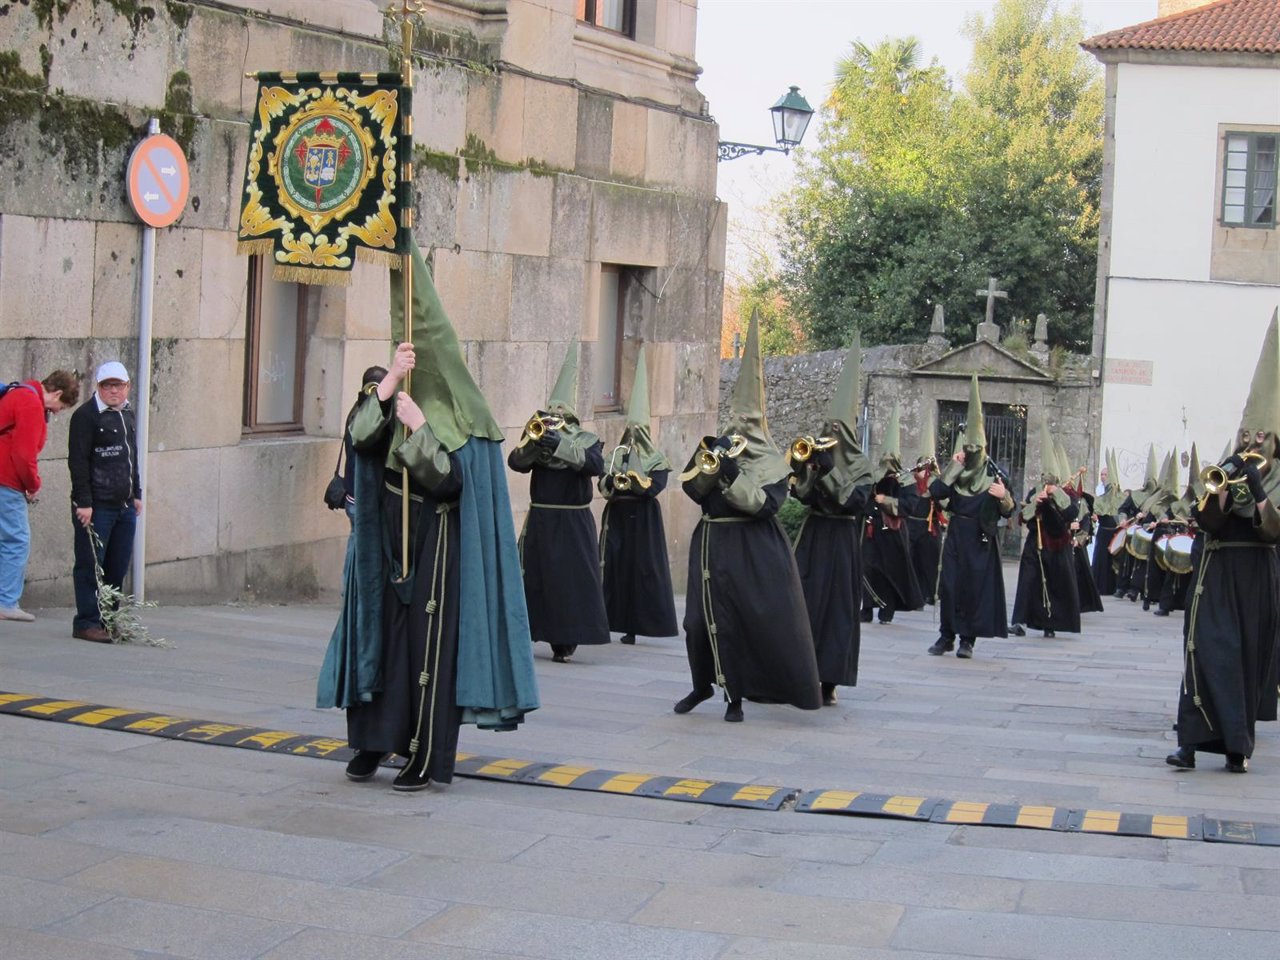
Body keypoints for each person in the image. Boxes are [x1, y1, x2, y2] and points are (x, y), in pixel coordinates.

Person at [317, 239, 539, 792]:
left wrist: (419, 428)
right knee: (380, 644)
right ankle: (370, 744)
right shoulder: (392, 394)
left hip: (437, 549)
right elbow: (361, 437)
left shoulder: (468, 415)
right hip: (386, 542)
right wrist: (390, 380)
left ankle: (421, 755)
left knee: (426, 654)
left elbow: (451, 481)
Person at [675, 309, 821, 722]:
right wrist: (715, 465)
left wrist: (732, 474)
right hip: (711, 542)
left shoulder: (775, 462)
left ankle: (735, 697)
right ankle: (701, 685)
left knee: (737, 621)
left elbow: (765, 505)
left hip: (751, 549)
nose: (741, 427)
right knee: (697, 622)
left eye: (748, 421)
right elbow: (689, 488)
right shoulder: (716, 447)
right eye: (736, 419)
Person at [1167, 310, 1280, 775]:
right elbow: (1205, 520)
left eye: (1261, 436)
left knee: (1243, 656)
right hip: (1215, 573)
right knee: (1204, 648)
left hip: (1254, 575)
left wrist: (1256, 487)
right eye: (1247, 434)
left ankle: (1237, 747)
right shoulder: (1226, 468)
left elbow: (1272, 529)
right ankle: (1190, 743)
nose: (1253, 440)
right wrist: (1224, 480)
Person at [509, 340, 611, 663]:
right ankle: (525, 631)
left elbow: (595, 466)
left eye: (558, 414)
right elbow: (516, 462)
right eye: (549, 413)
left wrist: (560, 446)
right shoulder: (538, 437)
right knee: (533, 578)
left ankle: (564, 640)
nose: (552, 418)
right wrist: (538, 444)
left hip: (572, 522)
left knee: (568, 583)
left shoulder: (588, 440)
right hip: (541, 518)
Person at [790, 333, 874, 706]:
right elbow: (804, 496)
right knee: (804, 602)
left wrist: (831, 473)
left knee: (837, 609)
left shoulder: (861, 467)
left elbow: (855, 502)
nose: (829, 437)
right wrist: (803, 471)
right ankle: (799, 671)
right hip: (814, 534)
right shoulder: (817, 455)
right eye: (827, 429)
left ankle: (830, 680)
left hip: (841, 541)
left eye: (836, 431)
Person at [927, 376, 1016, 659]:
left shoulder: (994, 476)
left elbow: (1009, 510)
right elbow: (936, 492)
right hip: (956, 535)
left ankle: (968, 639)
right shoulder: (956, 474)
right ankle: (946, 636)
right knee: (950, 586)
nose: (973, 452)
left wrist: (1003, 495)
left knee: (973, 590)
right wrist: (953, 467)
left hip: (980, 540)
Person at [598, 345, 678, 646]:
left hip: (643, 521)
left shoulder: (656, 459)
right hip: (618, 515)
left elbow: (654, 488)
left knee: (640, 572)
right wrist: (615, 480)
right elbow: (604, 485)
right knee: (613, 568)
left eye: (639, 430)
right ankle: (608, 619)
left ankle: (638, 625)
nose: (633, 436)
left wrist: (635, 479)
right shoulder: (616, 453)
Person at [66, 362, 143, 643]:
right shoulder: (86, 417)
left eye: (118, 386)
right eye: (108, 386)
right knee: (89, 565)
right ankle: (86, 622)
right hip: (96, 507)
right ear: (98, 387)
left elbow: (130, 456)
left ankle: (109, 619)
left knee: (116, 566)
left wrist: (137, 494)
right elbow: (78, 462)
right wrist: (83, 502)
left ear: (127, 387)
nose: (113, 391)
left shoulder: (127, 414)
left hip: (123, 506)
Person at [0, 370, 79, 622]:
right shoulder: (31, 403)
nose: (56, 412)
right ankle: (6, 601)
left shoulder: (17, 393)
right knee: (16, 540)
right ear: (56, 393)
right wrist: (33, 484)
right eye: (60, 406)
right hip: (7, 481)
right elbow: (24, 455)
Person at [1009, 426, 1081, 639]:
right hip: (1036, 543)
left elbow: (1071, 513)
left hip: (1058, 544)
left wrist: (1055, 494)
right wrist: (1036, 502)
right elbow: (1023, 516)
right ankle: (1019, 621)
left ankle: (1051, 623)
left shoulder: (1067, 493)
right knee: (1028, 581)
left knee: (1054, 583)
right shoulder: (1034, 491)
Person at [860, 404, 925, 625]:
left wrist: (886, 501)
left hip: (893, 532)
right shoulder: (872, 477)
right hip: (872, 529)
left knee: (890, 572)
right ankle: (867, 608)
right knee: (868, 569)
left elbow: (909, 505)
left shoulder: (906, 481)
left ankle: (886, 611)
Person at [899, 413, 944, 606]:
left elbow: (941, 499)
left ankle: (930, 593)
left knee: (930, 562)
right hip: (912, 525)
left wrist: (930, 480)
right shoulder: (911, 480)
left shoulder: (935, 482)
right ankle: (913, 594)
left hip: (929, 528)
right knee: (911, 561)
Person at [340, 365, 389, 526]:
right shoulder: (365, 419)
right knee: (358, 545)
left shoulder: (358, 410)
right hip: (360, 497)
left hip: (355, 495)